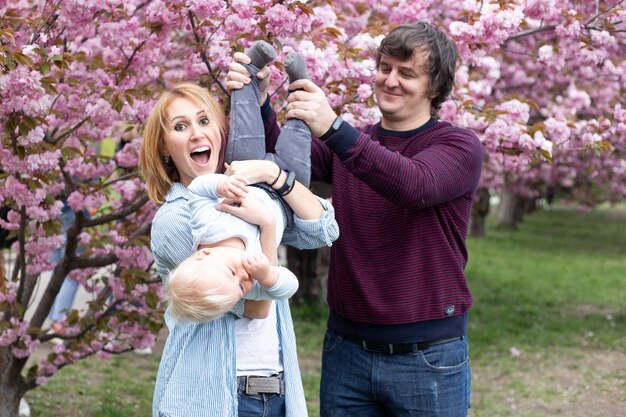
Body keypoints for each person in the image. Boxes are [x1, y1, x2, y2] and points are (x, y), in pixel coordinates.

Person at [227, 22, 484, 417]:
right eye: (385, 68)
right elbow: (283, 164)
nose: (390, 80)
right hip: (346, 350)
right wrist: (260, 100)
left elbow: (414, 185)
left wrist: (333, 128)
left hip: (429, 355)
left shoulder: (457, 145)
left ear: (435, 87)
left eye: (406, 73)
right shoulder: (350, 144)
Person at [139, 43, 338, 417]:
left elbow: (323, 230)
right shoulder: (176, 219)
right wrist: (266, 222)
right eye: (180, 127)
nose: (197, 134)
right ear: (165, 149)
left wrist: (271, 175)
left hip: (276, 390)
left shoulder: (245, 191)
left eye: (204, 121)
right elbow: (257, 302)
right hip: (212, 395)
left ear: (220, 129)